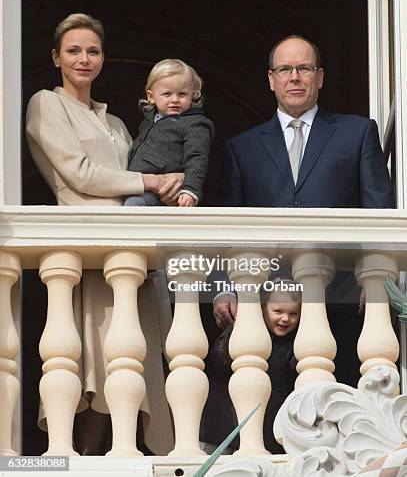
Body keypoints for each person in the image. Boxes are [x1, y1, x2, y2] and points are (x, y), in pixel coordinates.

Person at [26, 13, 183, 455]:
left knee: (133, 364)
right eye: (73, 50)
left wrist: (173, 185)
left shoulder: (115, 123)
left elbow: (141, 172)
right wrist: (149, 182)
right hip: (91, 251)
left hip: (132, 250)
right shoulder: (46, 103)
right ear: (57, 57)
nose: (84, 59)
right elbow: (79, 174)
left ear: (102, 59)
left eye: (92, 51)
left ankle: (122, 457)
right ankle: (86, 459)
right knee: (95, 366)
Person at [215, 34, 394, 385]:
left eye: (304, 68)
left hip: (341, 297)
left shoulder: (356, 132)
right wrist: (224, 286)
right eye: (284, 69)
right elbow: (228, 225)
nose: (294, 77)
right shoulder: (242, 147)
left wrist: (379, 277)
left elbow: (379, 210)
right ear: (271, 79)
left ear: (320, 77)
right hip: (267, 305)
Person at [201, 280, 301, 454]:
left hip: (265, 426)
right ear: (262, 308)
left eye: (293, 314)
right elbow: (219, 359)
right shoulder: (244, 332)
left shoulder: (294, 345)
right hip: (224, 421)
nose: (285, 318)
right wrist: (235, 329)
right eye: (278, 311)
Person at [125, 59, 214, 207]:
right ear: (151, 96)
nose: (175, 100)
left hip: (165, 193)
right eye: (167, 94)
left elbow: (197, 158)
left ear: (193, 94)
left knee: (134, 205)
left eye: (182, 94)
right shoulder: (148, 121)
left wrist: (190, 190)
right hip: (136, 184)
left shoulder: (195, 124)